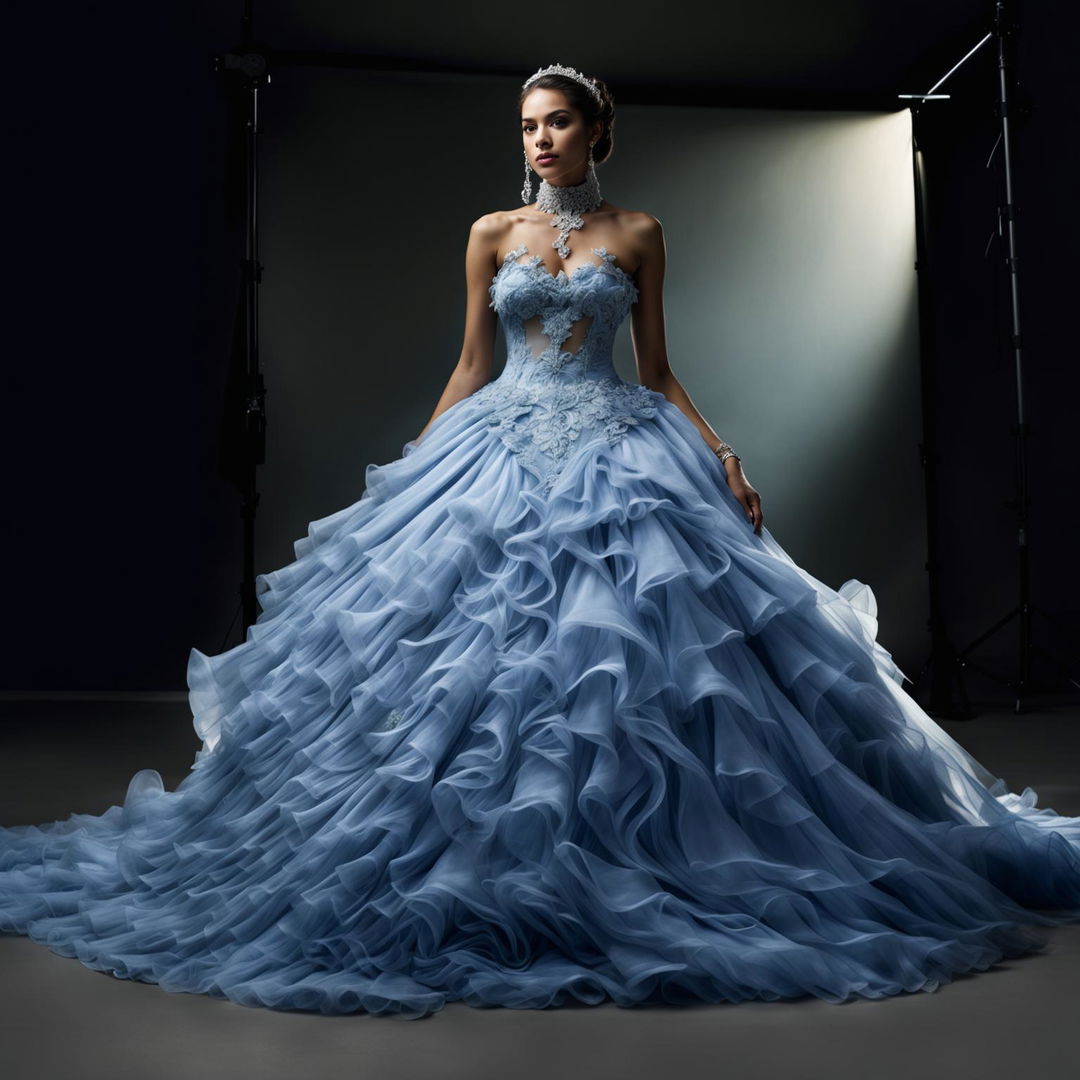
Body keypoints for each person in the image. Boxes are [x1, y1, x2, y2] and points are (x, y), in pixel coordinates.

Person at [2, 62, 1078, 1021]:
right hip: (499, 443)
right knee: (469, 671)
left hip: (622, 445)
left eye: (558, 123)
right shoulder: (489, 234)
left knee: (639, 669)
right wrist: (412, 475)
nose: (540, 140)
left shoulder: (640, 233)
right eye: (527, 126)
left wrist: (725, 455)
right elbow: (474, 366)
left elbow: (655, 372)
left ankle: (639, 860)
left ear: (596, 135)